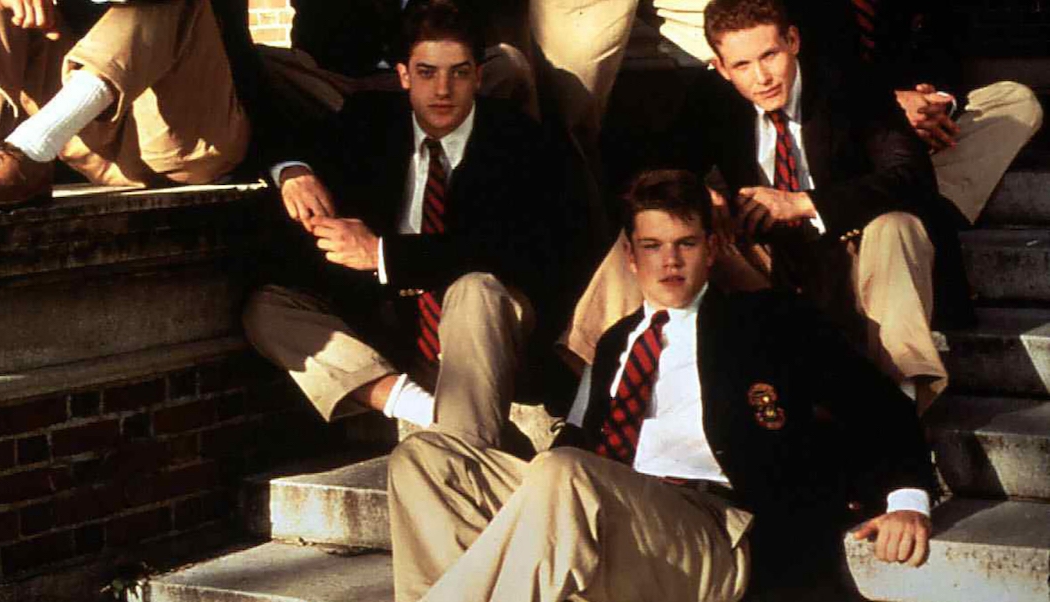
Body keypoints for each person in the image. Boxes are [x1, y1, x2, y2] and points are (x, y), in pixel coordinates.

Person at [388, 169, 935, 602]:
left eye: (686, 244)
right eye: (652, 246)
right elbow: (577, 442)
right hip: (609, 515)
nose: (669, 261)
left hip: (710, 532)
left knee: (563, 474)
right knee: (424, 458)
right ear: (629, 255)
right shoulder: (614, 343)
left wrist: (908, 497)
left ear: (712, 247)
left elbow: (876, 403)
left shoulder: (768, 321)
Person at [565, 0, 974, 413]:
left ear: (793, 42)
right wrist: (693, 192)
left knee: (896, 226)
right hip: (763, 267)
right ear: (722, 68)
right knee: (648, 235)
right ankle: (583, 410)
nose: (761, 77)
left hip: (852, 255)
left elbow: (912, 177)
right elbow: (651, 171)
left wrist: (802, 203)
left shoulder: (849, 85)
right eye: (742, 65)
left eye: (770, 56)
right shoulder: (714, 97)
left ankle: (899, 406)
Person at [242, 0, 566, 444]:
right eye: (427, 72)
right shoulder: (370, 120)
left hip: (475, 321)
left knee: (476, 287)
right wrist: (293, 172)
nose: (443, 90)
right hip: (388, 315)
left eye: (459, 72)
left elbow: (510, 249)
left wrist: (380, 253)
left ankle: (466, 441)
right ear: (404, 76)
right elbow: (280, 135)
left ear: (479, 76)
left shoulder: (518, 139)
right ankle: (425, 409)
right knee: (268, 309)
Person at [0, 0, 257, 210]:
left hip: (188, 141)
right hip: (88, 144)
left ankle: (29, 147)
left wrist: (286, 164)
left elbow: (246, 60)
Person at [787, 0, 1043, 225]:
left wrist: (936, 103)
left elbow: (946, 65)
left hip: (909, 146)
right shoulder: (799, 9)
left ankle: (927, 205)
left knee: (1016, 102)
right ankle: (903, 204)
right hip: (836, 143)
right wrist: (888, 104)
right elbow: (798, 82)